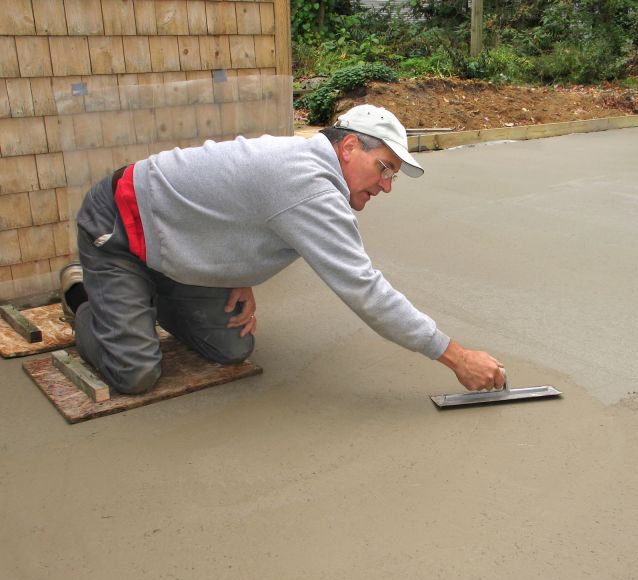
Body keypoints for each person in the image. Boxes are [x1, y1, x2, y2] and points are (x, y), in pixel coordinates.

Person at [60, 104, 505, 395]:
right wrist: (456, 356)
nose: (387, 186)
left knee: (233, 346)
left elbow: (238, 212)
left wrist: (240, 275)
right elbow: (365, 290)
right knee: (135, 374)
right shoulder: (307, 185)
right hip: (120, 229)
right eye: (383, 168)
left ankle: (137, 302)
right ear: (348, 147)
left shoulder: (311, 171)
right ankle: (85, 297)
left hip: (173, 246)